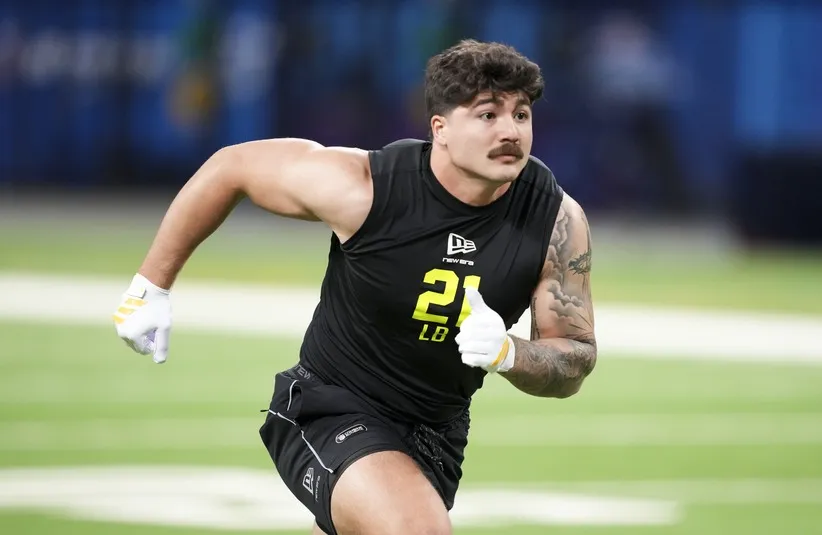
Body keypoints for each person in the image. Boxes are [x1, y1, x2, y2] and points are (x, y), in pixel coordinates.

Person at [112, 39, 597, 535]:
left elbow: (574, 358)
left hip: (439, 432)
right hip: (332, 404)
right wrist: (151, 285)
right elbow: (232, 167)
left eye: (521, 114)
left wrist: (508, 353)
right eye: (487, 115)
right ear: (441, 129)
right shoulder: (369, 187)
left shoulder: (555, 219)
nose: (510, 131)